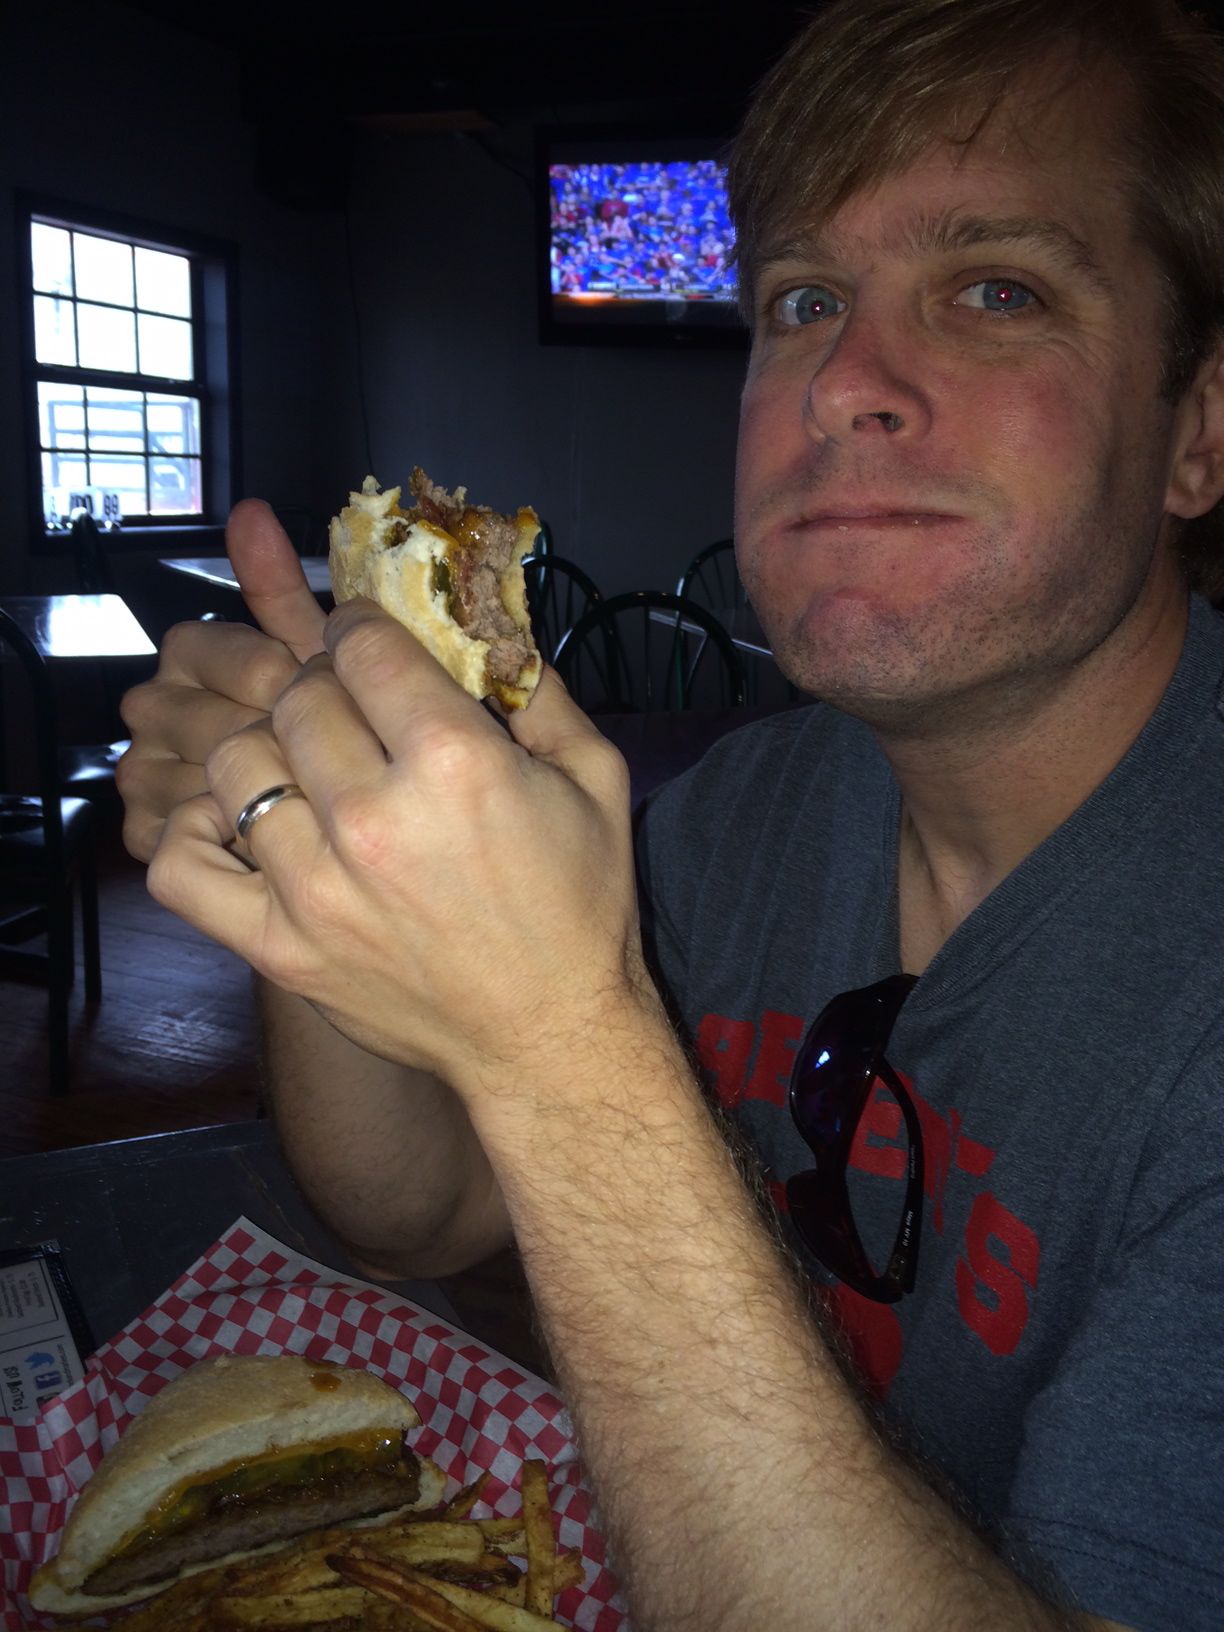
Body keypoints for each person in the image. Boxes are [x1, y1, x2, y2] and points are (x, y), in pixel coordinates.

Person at [117, 0, 1224, 1626]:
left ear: (1197, 430)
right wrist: (318, 828)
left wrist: (565, 1052)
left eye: (997, 290)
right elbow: (414, 1211)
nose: (845, 383)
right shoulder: (741, 815)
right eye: (803, 301)